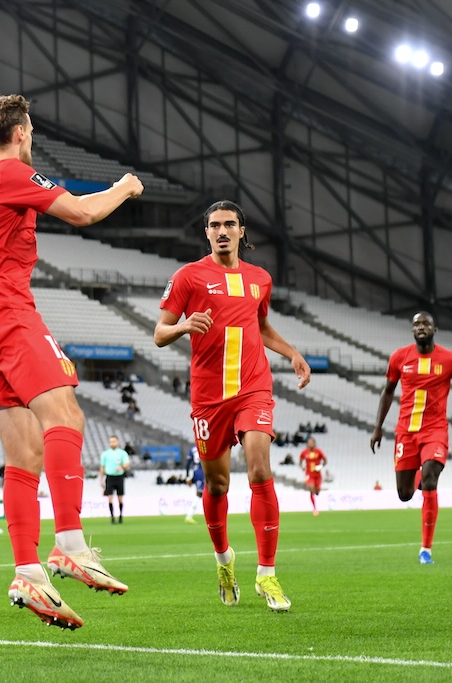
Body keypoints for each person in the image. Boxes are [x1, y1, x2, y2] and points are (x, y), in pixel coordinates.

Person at [0, 92, 141, 630]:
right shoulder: (9, 174)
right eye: (32, 131)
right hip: (7, 312)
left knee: (24, 455)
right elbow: (82, 212)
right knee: (67, 418)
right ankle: (70, 545)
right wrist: (124, 186)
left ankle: (28, 572)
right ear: (22, 133)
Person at [154, 199, 311, 613]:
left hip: (253, 387)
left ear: (242, 231)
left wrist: (291, 352)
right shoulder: (188, 276)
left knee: (260, 466)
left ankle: (267, 574)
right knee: (218, 485)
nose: (222, 231)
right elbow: (158, 333)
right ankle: (224, 560)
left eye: (229, 224)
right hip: (208, 398)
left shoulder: (260, 279)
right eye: (214, 225)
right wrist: (184, 325)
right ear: (206, 232)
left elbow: (259, 326)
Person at [369, 311, 452, 565]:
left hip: (435, 430)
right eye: (416, 324)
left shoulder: (450, 360)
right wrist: (378, 427)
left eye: (426, 323)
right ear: (412, 330)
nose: (421, 327)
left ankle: (425, 550)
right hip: (405, 432)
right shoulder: (399, 357)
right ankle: (419, 477)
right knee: (404, 494)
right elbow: (387, 392)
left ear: (434, 329)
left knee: (431, 480)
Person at [99, 435, 130, 524]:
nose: (112, 443)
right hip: (109, 477)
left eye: (114, 441)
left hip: (119, 477)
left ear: (118, 442)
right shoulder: (105, 454)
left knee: (120, 498)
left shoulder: (122, 453)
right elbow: (102, 467)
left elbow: (127, 463)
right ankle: (112, 517)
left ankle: (120, 516)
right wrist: (101, 479)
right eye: (111, 442)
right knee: (110, 498)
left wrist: (121, 467)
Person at [299, 437, 327, 516]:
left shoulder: (319, 451)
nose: (309, 444)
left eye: (311, 442)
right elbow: (300, 461)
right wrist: (302, 467)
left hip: (317, 474)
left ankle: (316, 493)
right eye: (308, 442)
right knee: (311, 488)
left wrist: (321, 466)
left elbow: (325, 461)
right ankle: (315, 508)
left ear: (314, 443)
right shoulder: (304, 452)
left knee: (317, 491)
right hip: (309, 474)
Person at [185, 446, 204, 524]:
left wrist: (188, 477)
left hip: (196, 472)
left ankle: (189, 516)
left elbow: (187, 464)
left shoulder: (192, 449)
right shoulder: (205, 445)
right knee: (199, 494)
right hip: (203, 472)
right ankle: (189, 516)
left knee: (201, 494)